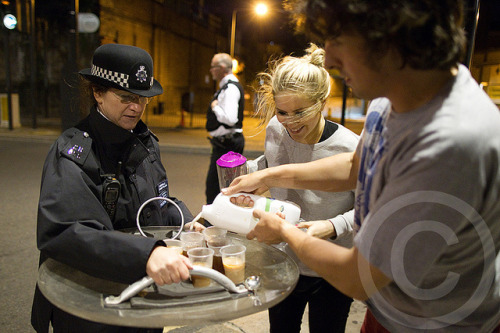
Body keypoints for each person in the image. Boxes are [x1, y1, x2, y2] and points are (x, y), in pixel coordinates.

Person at [223, 0, 500, 332]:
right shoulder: (392, 98)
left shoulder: (450, 144)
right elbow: (357, 167)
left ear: (390, 36)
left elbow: (359, 277)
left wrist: (283, 231)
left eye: (337, 40)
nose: (328, 59)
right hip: (392, 311)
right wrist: (270, 173)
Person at [31, 43, 194, 333]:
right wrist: (146, 254)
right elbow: (66, 232)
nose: (137, 107)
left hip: (142, 299)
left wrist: (191, 221)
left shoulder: (144, 141)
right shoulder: (74, 151)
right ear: (97, 93)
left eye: (143, 99)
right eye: (126, 97)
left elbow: (156, 201)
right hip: (92, 307)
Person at [245, 44, 358, 332]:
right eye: (282, 111)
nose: (290, 122)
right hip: (283, 261)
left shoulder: (349, 148)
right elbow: (271, 163)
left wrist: (332, 226)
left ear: (322, 102)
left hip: (331, 267)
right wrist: (248, 175)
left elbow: (370, 210)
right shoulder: (275, 128)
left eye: (300, 112)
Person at [205, 53, 245, 204]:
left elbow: (230, 119)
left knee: (217, 189)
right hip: (225, 143)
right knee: (219, 188)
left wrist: (215, 107)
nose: (211, 70)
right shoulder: (226, 87)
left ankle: (215, 223)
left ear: (222, 68)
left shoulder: (230, 89)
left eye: (213, 67)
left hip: (227, 143)